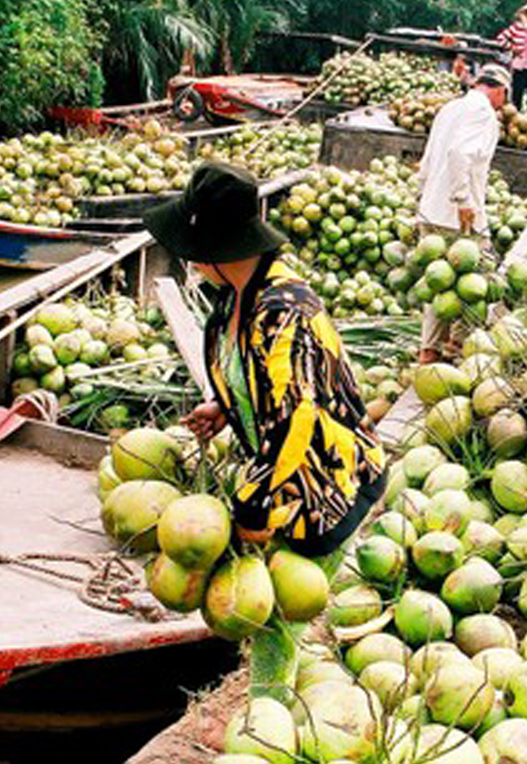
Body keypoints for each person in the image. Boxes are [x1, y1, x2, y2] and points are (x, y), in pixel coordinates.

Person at [144, 161, 386, 559]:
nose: (191, 262)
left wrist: (249, 507)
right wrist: (228, 407)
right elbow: (265, 379)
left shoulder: (283, 311)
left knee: (284, 610)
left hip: (327, 490)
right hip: (284, 484)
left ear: (212, 249)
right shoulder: (235, 294)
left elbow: (295, 420)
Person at [414, 64, 510, 364]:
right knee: (479, 281)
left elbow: (429, 158)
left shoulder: (450, 108)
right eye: (504, 96)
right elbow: (459, 153)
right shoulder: (483, 112)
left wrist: (422, 196)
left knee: (439, 284)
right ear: (498, 89)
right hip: (458, 214)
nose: (503, 103)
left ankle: (429, 351)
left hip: (432, 209)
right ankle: (459, 347)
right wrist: (463, 198)